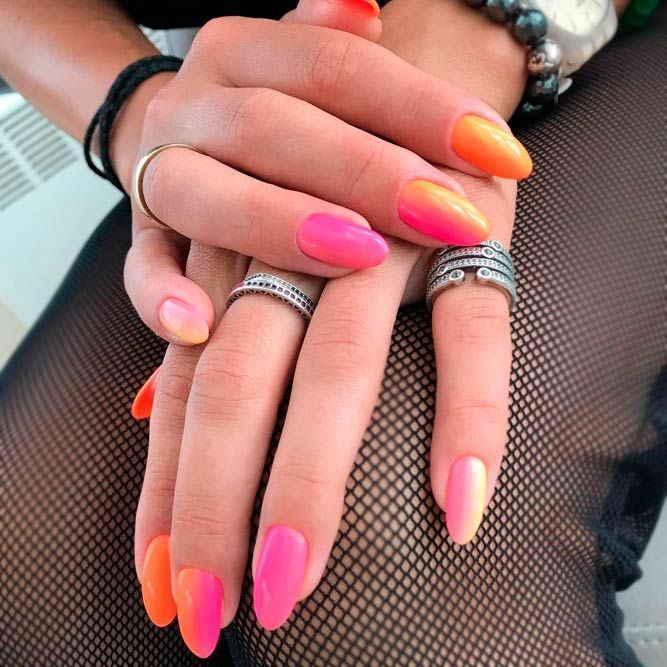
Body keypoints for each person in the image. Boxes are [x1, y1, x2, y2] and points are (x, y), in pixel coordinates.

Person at [0, 1, 665, 665]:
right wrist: (144, 114)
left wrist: (495, 19)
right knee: (32, 548)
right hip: (241, 91)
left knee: (382, 556)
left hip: (579, 34)